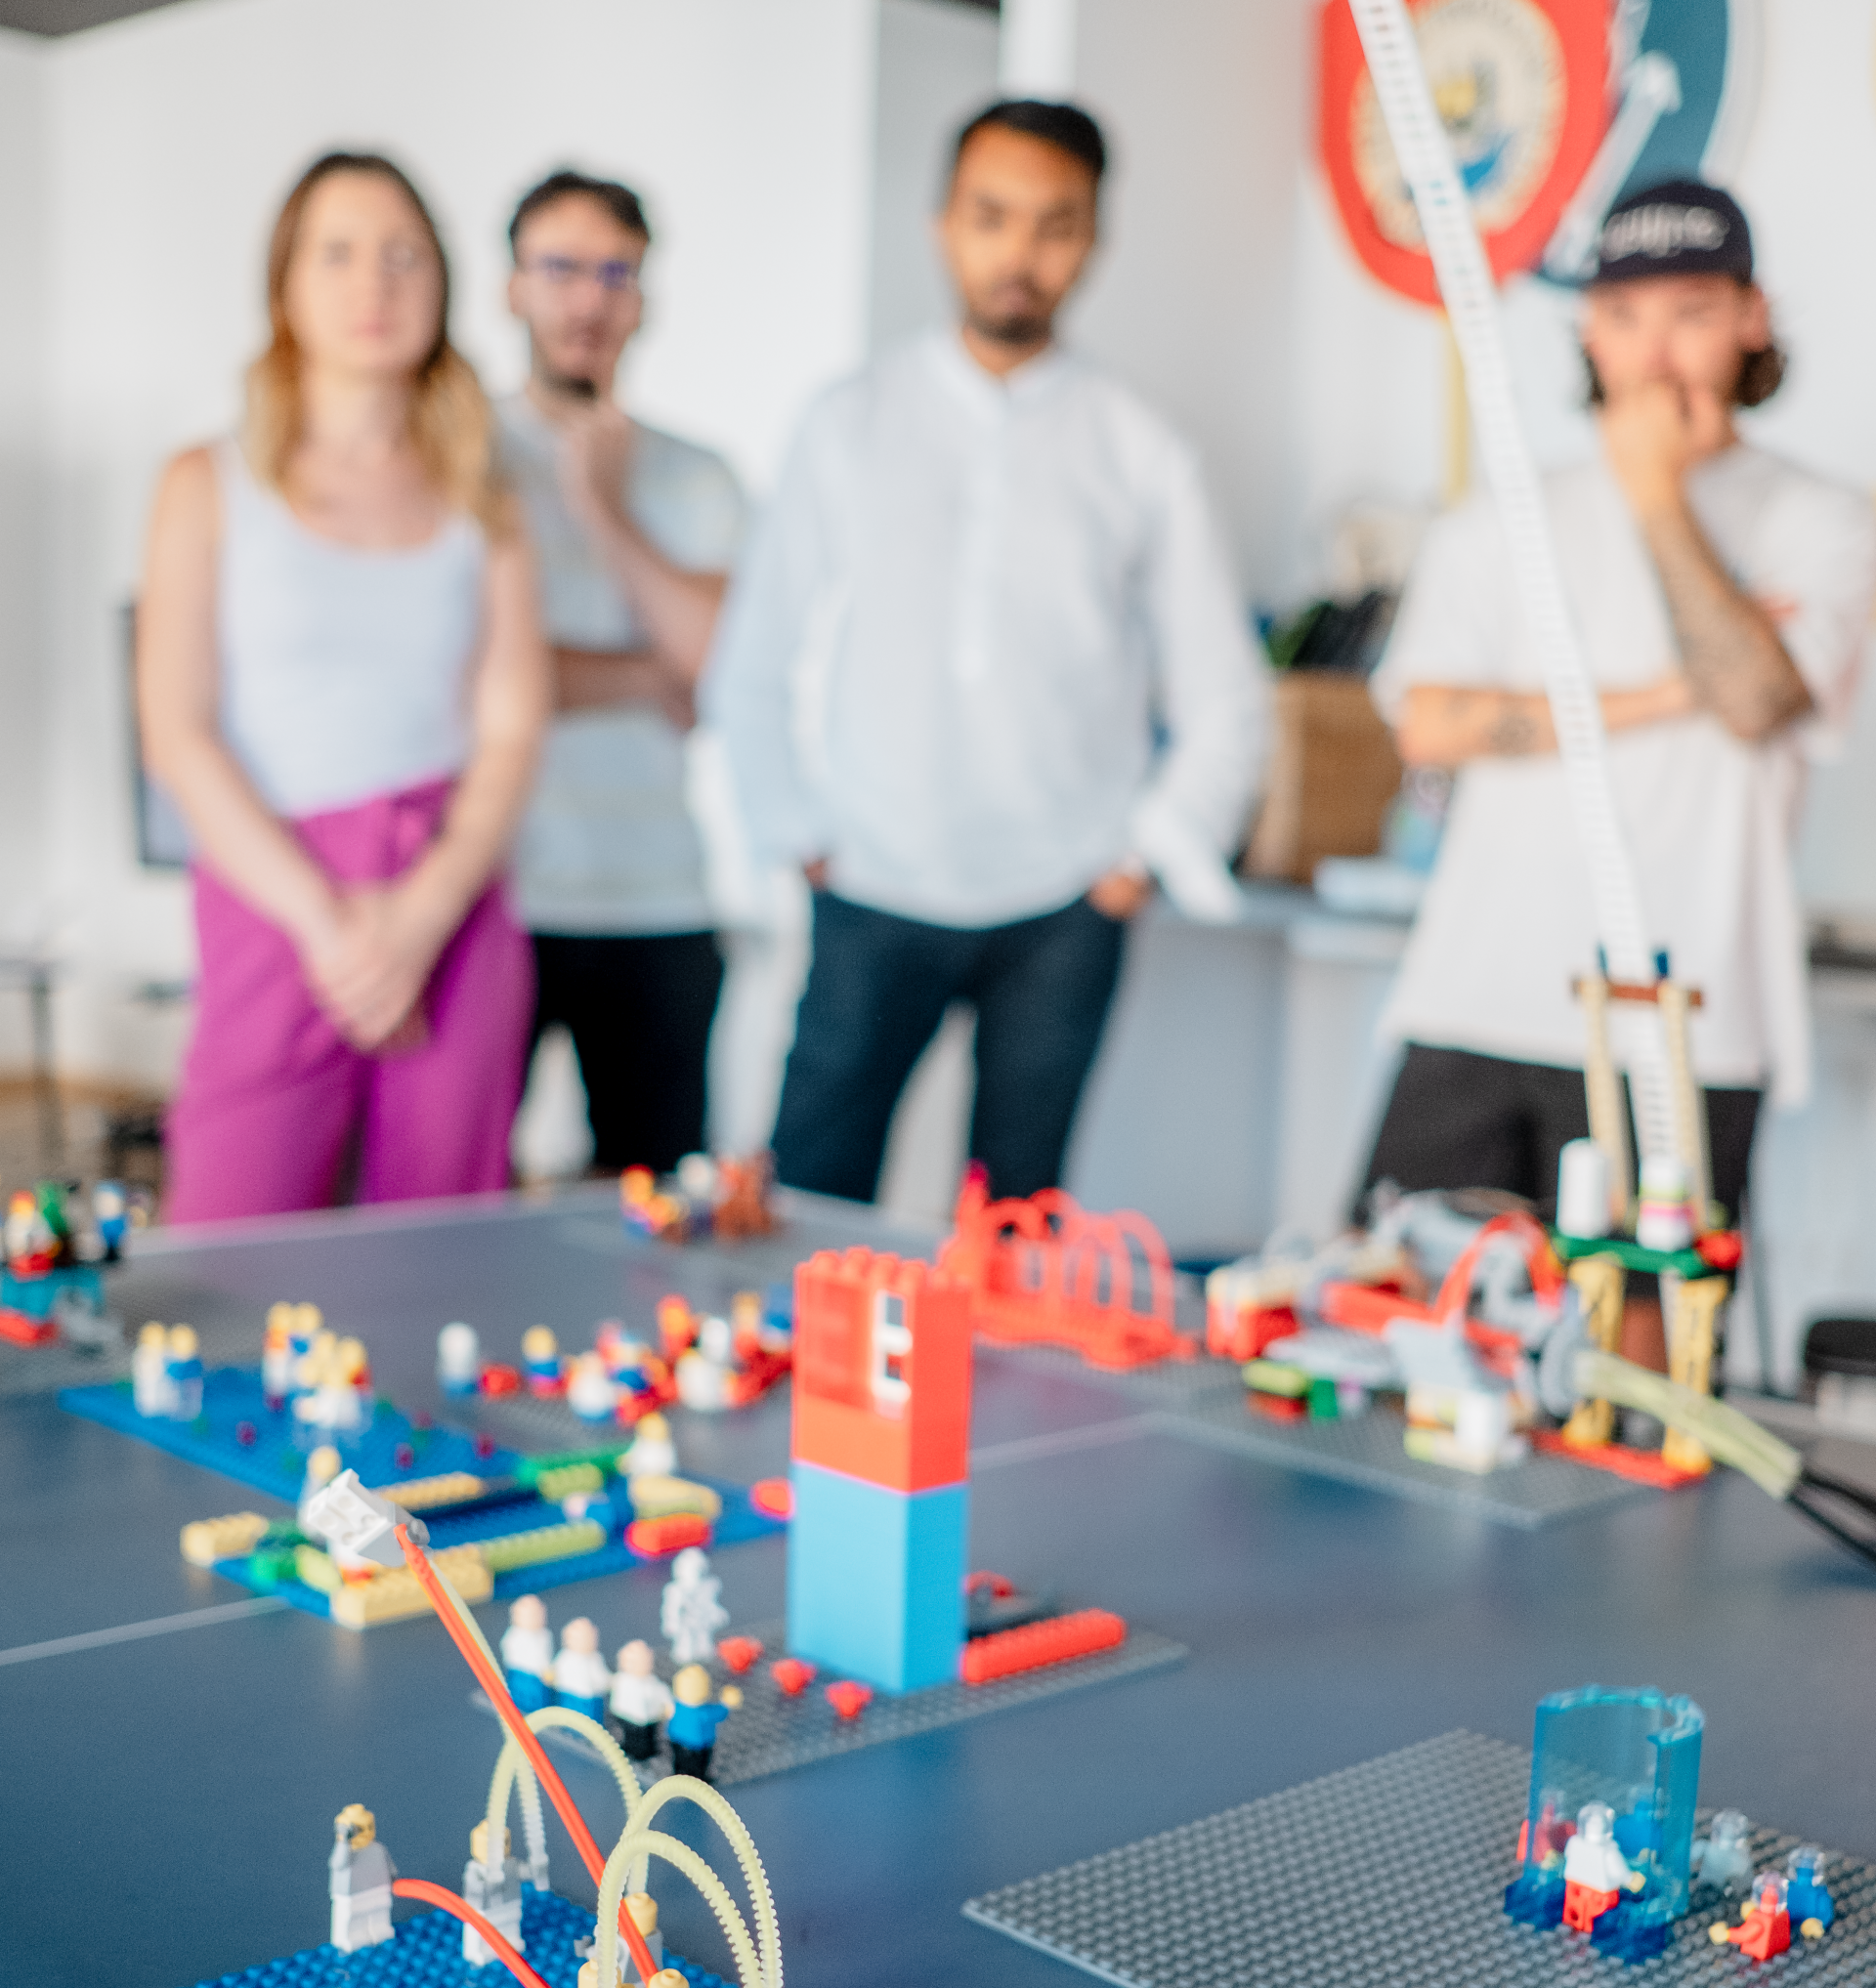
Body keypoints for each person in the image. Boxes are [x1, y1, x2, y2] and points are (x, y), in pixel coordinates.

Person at [704, 97, 1267, 1205]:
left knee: (1019, 1235)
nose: (1022, 252)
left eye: (1056, 225)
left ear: (1093, 242)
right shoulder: (848, 421)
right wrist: (798, 836)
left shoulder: (1140, 450)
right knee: (809, 1204)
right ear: (942, 224)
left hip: (1065, 903)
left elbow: (1228, 701)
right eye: (993, 216)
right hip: (869, 882)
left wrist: (1141, 857)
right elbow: (753, 659)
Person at [1362, 178, 1876, 1239]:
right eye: (1626, 317)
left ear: (1750, 319)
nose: (1655, 355)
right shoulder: (1501, 515)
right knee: (1404, 1339)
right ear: (1588, 331)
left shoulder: (1823, 521)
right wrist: (1676, 688)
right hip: (1473, 1000)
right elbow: (1429, 723)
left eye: (1691, 314)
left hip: (1684, 1032)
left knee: (1635, 1375)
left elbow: (1757, 702)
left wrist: (1654, 494)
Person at [139, 151, 547, 1222]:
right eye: (339, 253)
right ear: (285, 287)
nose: (374, 284)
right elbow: (176, 730)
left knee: (444, 1239)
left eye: (404, 255)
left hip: (447, 887)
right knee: (233, 1234)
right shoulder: (205, 483)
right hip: (273, 885)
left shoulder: (484, 489)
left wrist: (425, 910)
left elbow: (511, 721)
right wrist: (327, 922)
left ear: (443, 286)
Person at [499, 169, 747, 1172]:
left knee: (654, 1224)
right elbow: (461, 678)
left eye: (615, 272)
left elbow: (722, 673)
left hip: (661, 905)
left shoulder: (698, 475)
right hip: (499, 898)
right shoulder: (458, 453)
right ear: (512, 286)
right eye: (559, 268)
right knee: (454, 1199)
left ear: (644, 296)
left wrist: (602, 506)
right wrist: (652, 673)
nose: (587, 299)